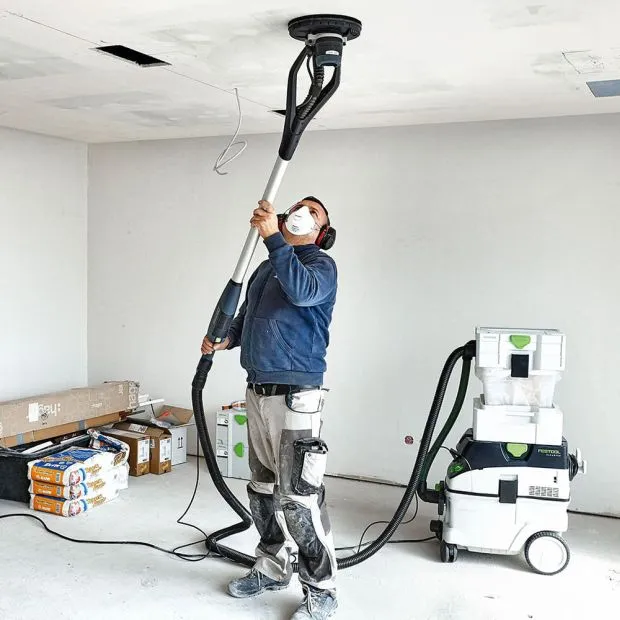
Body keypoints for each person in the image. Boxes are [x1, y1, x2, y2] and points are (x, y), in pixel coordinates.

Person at [202, 196, 339, 619]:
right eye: (298, 206)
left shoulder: (320, 266)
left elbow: (302, 293)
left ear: (322, 233)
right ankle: (272, 567)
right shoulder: (266, 268)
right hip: (258, 389)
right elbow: (249, 318)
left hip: (297, 394)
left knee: (299, 497)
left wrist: (273, 239)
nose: (302, 213)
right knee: (262, 489)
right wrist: (227, 338)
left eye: (313, 213)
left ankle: (322, 590)